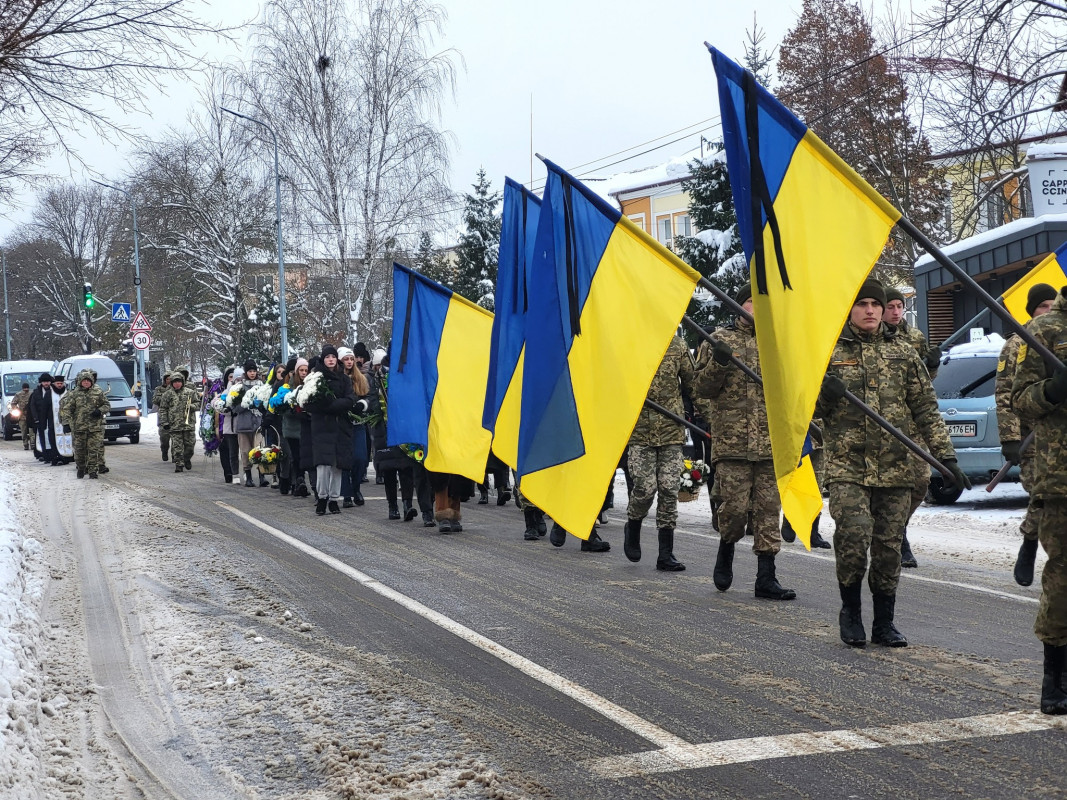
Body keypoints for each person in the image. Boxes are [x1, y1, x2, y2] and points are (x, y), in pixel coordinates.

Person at [817, 278, 965, 648]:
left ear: (884, 310)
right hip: (848, 467)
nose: (870, 310)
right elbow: (804, 410)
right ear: (850, 309)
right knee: (853, 539)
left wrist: (945, 457)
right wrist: (825, 397)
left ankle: (885, 621)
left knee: (887, 548)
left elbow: (926, 409)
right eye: (862, 303)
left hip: (895, 467)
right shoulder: (828, 353)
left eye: (875, 304)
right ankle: (851, 611)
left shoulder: (903, 352)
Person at [698, 284, 795, 599]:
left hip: (770, 443)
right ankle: (726, 548)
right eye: (751, 302)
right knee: (736, 511)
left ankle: (766, 578)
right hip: (733, 445)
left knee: (768, 512)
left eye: (761, 302)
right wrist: (720, 362)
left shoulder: (778, 343)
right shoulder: (719, 341)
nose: (756, 307)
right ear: (739, 306)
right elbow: (703, 388)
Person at [1011, 284, 1067, 715]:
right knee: (1064, 579)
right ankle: (1055, 680)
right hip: (1062, 480)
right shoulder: (1044, 330)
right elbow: (1020, 401)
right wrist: (1052, 390)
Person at [997, 283, 1057, 587]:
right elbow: (1006, 395)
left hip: (1059, 434)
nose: (1048, 310)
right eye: (1042, 306)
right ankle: (1030, 544)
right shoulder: (1017, 344)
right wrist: (1010, 439)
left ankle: (1034, 541)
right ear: (1031, 310)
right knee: (1041, 496)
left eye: (1052, 305)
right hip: (1030, 437)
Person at [623, 335, 697, 572]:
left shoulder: (677, 344)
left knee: (668, 488)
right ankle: (633, 525)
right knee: (645, 488)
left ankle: (666, 553)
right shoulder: (628, 342)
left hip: (670, 429)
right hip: (639, 429)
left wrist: (713, 419)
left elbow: (693, 384)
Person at [884, 287, 943, 568]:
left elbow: (923, 383)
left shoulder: (915, 338)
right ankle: (894, 537)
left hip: (913, 426)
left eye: (900, 306)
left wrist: (933, 365)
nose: (896, 312)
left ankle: (899, 527)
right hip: (884, 426)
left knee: (920, 483)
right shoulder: (872, 338)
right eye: (891, 306)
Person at [306, 345, 361, 515]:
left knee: (338, 465)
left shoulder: (343, 379)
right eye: (327, 356)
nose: (330, 359)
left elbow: (350, 398)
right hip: (322, 427)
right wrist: (332, 406)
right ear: (323, 359)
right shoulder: (315, 378)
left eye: (333, 356)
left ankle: (334, 499)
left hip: (340, 426)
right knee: (323, 465)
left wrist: (331, 405)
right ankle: (322, 497)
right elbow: (311, 402)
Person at [60, 369, 110, 478]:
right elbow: (67, 409)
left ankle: (93, 471)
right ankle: (81, 468)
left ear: (92, 381)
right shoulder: (74, 394)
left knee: (93, 450)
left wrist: (100, 411)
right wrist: (65, 424)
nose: (86, 382)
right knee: (80, 451)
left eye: (88, 380)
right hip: (79, 428)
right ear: (80, 382)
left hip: (95, 427)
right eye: (84, 381)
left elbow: (106, 405)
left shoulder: (98, 392)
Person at [338, 347, 371, 508]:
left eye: (351, 359)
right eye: (346, 359)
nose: (350, 362)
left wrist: (362, 404)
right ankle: (347, 494)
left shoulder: (361, 379)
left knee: (360, 458)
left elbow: (369, 397)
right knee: (345, 460)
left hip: (358, 423)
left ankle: (356, 487)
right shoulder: (337, 379)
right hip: (342, 424)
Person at [159, 368, 199, 473]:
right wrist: (165, 422)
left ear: (182, 382)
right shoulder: (167, 394)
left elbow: (198, 403)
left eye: (179, 381)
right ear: (172, 383)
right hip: (174, 425)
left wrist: (192, 406)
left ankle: (187, 458)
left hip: (188, 424)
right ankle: (179, 464)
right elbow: (163, 409)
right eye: (175, 382)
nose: (177, 384)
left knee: (190, 445)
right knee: (177, 447)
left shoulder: (190, 392)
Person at [234, 360, 267, 487]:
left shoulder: (261, 385)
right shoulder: (239, 387)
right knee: (246, 451)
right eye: (250, 371)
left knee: (259, 449)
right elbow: (235, 408)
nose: (252, 373)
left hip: (258, 424)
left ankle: (261, 475)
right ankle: (248, 476)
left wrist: (259, 405)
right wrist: (245, 404)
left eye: (254, 371)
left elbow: (265, 403)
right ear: (246, 372)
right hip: (244, 425)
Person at [27, 374, 53, 462]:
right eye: (44, 382)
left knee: (51, 437)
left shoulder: (53, 391)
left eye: (48, 382)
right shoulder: (36, 392)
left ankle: (53, 454)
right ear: (41, 382)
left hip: (51, 418)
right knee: (41, 437)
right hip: (40, 419)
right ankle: (43, 454)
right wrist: (35, 418)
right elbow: (32, 406)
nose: (46, 383)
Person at [152, 372, 172, 461]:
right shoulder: (159, 389)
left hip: (175, 416)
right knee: (164, 438)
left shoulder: (177, 389)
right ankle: (164, 450)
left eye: (171, 379)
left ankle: (176, 455)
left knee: (177, 439)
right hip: (163, 417)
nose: (169, 381)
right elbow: (155, 400)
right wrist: (166, 396)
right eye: (167, 379)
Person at [10, 382, 31, 451]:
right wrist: (17, 410)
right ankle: (26, 445)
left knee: (32, 432)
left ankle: (33, 444)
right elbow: (13, 403)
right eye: (25, 388)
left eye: (27, 388)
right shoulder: (18, 395)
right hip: (22, 416)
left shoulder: (31, 394)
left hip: (30, 415)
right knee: (24, 431)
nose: (26, 389)